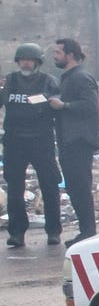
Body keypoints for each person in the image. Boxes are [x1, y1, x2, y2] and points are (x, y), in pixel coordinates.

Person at [3, 45, 60, 249]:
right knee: (14, 189)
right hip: (14, 142)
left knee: (49, 185)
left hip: (41, 141)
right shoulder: (10, 81)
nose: (26, 63)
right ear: (18, 61)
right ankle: (17, 233)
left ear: (37, 62)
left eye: (30, 60)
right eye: (22, 60)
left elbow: (58, 105)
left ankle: (53, 231)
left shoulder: (48, 81)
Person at [49, 38, 97, 241]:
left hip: (79, 141)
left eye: (58, 53)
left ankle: (88, 232)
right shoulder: (68, 78)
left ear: (70, 55)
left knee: (80, 187)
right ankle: (85, 231)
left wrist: (64, 106)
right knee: (74, 187)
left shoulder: (81, 77)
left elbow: (90, 106)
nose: (54, 56)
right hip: (68, 141)